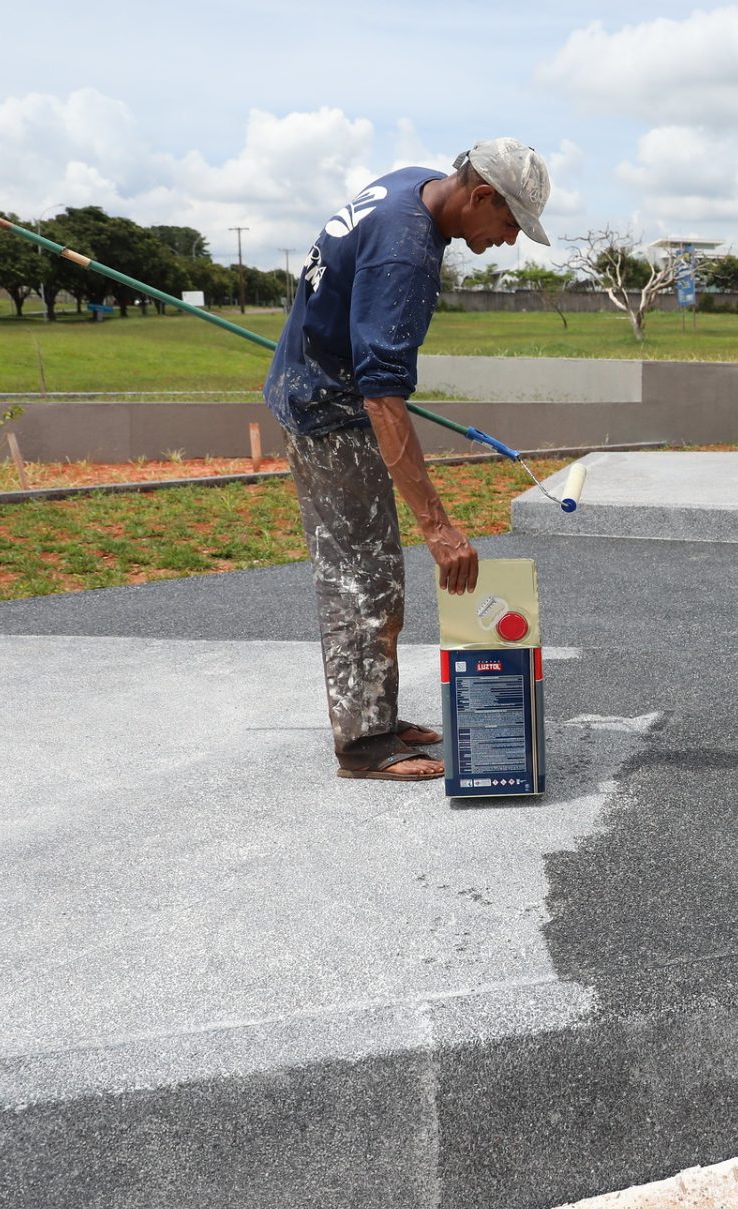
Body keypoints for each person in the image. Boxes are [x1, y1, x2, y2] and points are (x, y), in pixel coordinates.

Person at [265, 138, 551, 780]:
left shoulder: (413, 184)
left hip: (315, 379)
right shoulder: (407, 254)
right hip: (329, 408)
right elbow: (384, 397)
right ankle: (363, 747)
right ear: (479, 195)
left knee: (374, 569)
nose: (509, 240)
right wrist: (438, 525)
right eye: (509, 223)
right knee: (360, 576)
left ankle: (377, 717)